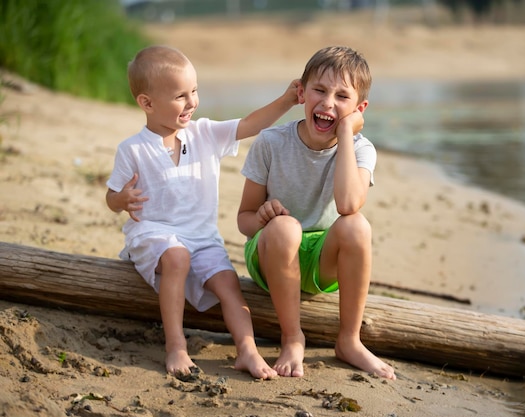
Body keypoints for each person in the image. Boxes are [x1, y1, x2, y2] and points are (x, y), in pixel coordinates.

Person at [105, 45, 298, 380]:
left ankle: (247, 350)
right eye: (181, 95)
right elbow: (111, 197)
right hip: (154, 231)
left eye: (194, 91)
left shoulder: (204, 132)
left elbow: (251, 124)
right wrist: (122, 199)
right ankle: (176, 345)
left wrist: (287, 100)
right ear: (147, 103)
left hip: (203, 236)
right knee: (177, 257)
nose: (192, 101)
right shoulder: (133, 149)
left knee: (228, 284)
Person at [237, 45, 396, 380]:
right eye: (319, 91)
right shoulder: (271, 142)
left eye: (342, 97)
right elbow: (244, 220)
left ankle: (349, 340)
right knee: (286, 229)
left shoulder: (361, 149)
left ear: (359, 109)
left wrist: (344, 134)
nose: (327, 103)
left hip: (320, 262)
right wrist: (264, 218)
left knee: (357, 227)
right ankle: (293, 337)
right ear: (301, 93)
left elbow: (348, 205)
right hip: (272, 251)